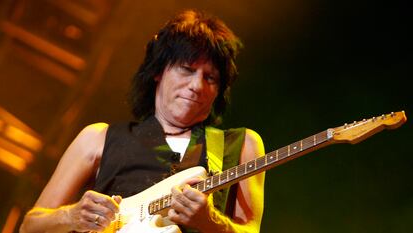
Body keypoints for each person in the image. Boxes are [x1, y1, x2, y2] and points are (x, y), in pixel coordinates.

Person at [20, 9, 265, 233]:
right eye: (187, 69)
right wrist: (72, 216)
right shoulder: (98, 138)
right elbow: (30, 226)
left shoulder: (241, 145)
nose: (196, 86)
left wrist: (210, 222)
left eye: (210, 77)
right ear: (159, 71)